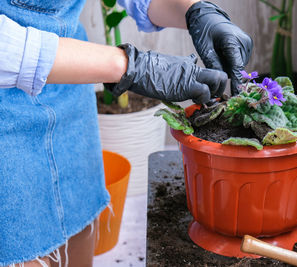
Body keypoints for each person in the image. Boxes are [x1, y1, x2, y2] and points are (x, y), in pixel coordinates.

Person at [0, 0, 252, 266]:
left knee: (77, 233)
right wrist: (130, 67)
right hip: (7, 118)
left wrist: (196, 12)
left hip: (67, 86)